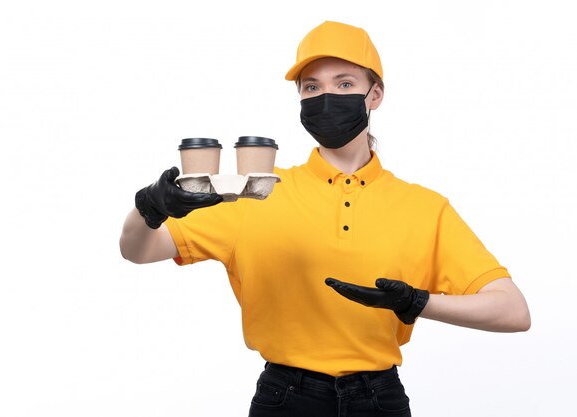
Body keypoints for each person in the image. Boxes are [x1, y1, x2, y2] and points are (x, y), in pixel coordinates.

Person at [120, 20, 530, 417]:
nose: (326, 97)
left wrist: (416, 302)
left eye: (345, 84)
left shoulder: (424, 206)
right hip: (284, 397)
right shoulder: (256, 190)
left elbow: (513, 312)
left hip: (380, 399)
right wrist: (149, 207)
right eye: (312, 87)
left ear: (375, 95)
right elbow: (139, 251)